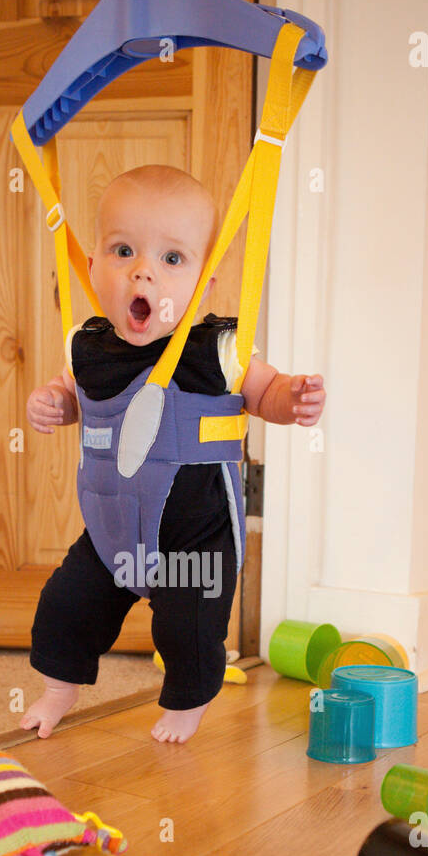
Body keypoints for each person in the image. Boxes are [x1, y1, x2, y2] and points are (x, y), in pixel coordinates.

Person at [22, 165, 325, 743]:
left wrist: (295, 397)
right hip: (112, 536)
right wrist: (52, 403)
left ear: (203, 283)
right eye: (123, 250)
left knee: (188, 628)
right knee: (65, 606)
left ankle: (188, 703)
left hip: (197, 535)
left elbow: (267, 392)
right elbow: (70, 397)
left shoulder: (218, 349)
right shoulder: (86, 346)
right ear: (90, 268)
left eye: (172, 259)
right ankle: (57, 691)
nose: (143, 271)